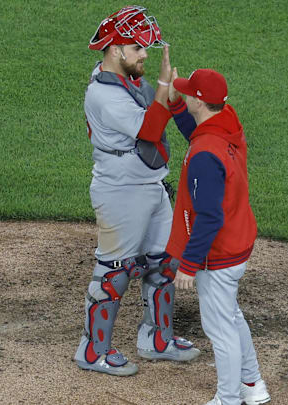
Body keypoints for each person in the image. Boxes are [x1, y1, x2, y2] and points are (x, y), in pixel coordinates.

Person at [73, 5, 200, 377]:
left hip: (150, 184)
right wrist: (163, 86)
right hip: (121, 190)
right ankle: (92, 350)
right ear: (115, 51)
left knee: (163, 262)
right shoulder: (102, 95)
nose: (145, 54)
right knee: (115, 271)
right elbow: (147, 131)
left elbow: (165, 113)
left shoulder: (128, 81)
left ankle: (156, 339)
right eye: (138, 48)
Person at [167, 68, 270, 405]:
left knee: (220, 328)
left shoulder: (205, 156)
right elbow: (200, 137)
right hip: (238, 241)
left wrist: (190, 264)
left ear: (200, 100)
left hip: (219, 253)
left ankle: (228, 399)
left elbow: (209, 217)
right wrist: (178, 109)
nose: (185, 95)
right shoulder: (226, 121)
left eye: (188, 94)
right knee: (231, 316)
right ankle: (253, 385)